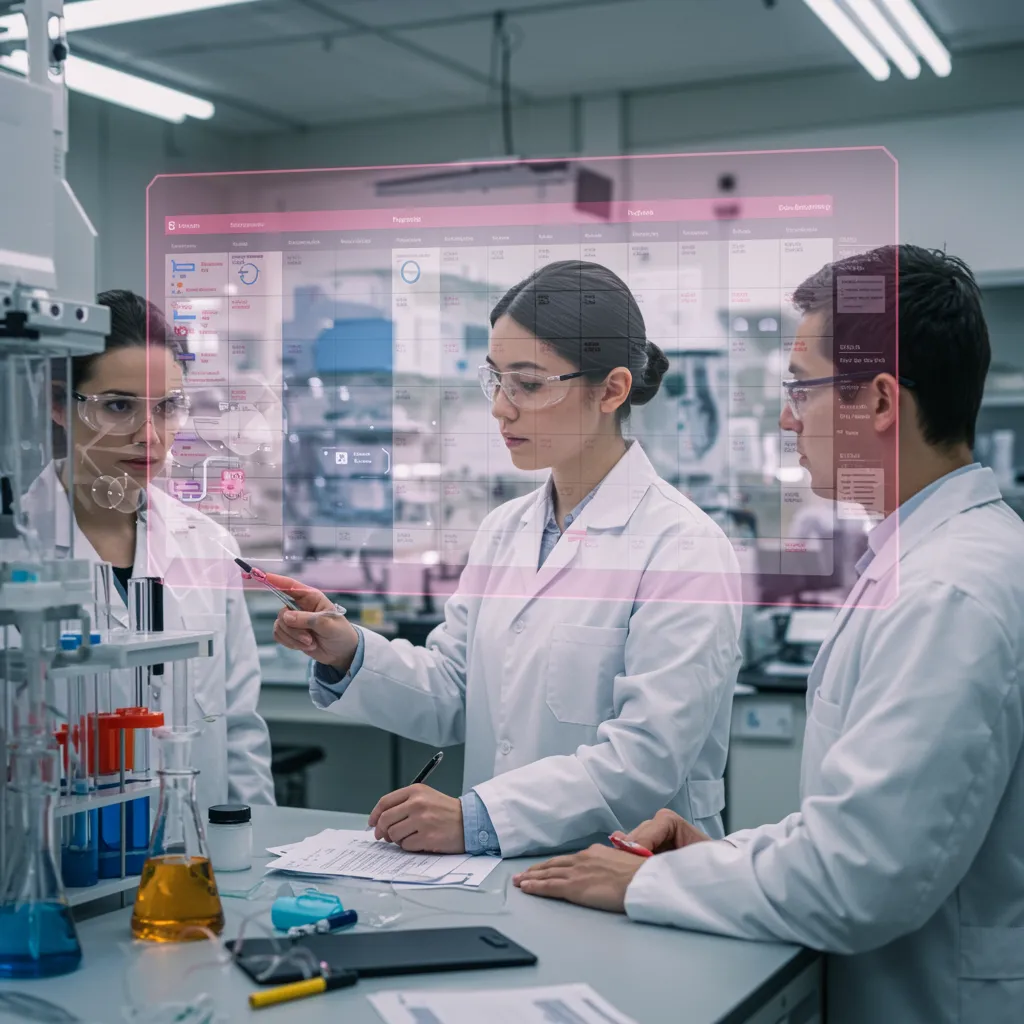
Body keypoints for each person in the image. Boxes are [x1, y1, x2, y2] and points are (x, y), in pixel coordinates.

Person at [514, 245, 1024, 1024]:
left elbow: (858, 877)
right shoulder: (928, 559)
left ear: (881, 401)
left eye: (802, 389)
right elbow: (854, 824)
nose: (786, 417)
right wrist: (722, 856)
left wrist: (645, 884)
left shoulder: (948, 591)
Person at [269, 260, 743, 858]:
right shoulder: (504, 531)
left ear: (613, 389)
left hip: (631, 879)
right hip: (503, 879)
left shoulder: (683, 547)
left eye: (529, 384)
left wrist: (475, 819)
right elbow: (454, 692)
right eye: (495, 380)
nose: (501, 407)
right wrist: (345, 650)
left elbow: (646, 757)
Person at [4, 289, 275, 812]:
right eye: (119, 406)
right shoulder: (14, 547)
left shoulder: (209, 547)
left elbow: (239, 729)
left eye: (167, 407)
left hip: (194, 858)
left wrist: (250, 851)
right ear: (60, 404)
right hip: (54, 856)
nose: (148, 435)